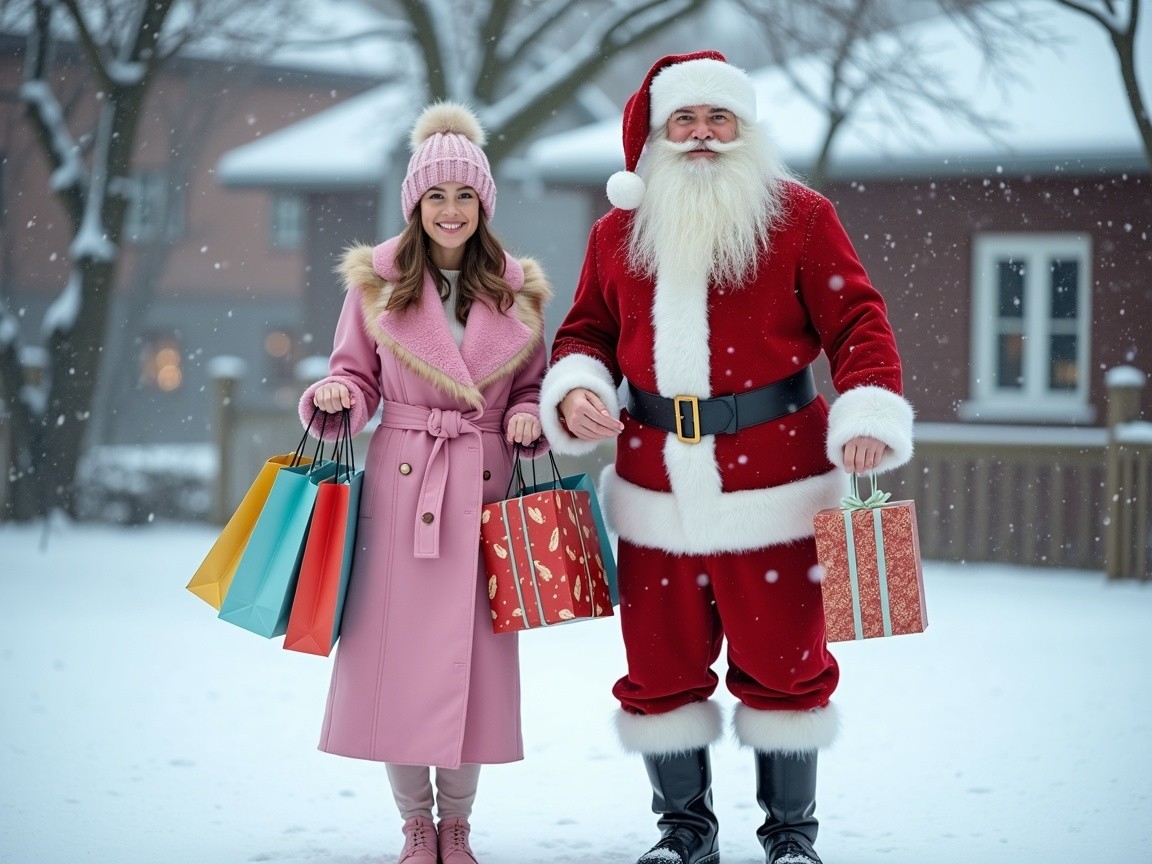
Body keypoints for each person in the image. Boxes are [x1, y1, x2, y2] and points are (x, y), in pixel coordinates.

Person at [538, 52, 914, 864]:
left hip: (777, 478)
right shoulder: (616, 234)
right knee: (659, 670)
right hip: (651, 484)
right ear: (660, 133)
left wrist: (870, 407)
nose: (702, 135)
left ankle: (790, 841)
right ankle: (684, 838)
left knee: (787, 667)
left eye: (719, 120)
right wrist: (573, 389)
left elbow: (858, 324)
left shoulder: (802, 218)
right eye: (685, 120)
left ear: (744, 131)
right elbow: (585, 333)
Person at [299, 101, 551, 864]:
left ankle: (459, 827)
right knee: (397, 666)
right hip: (403, 495)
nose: (450, 210)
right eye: (436, 196)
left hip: (482, 491)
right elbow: (354, 376)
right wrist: (336, 397)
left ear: (484, 204)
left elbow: (532, 387)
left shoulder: (518, 294)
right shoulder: (375, 288)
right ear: (414, 204)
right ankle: (415, 824)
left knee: (470, 669)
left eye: (464, 195)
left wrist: (527, 416)